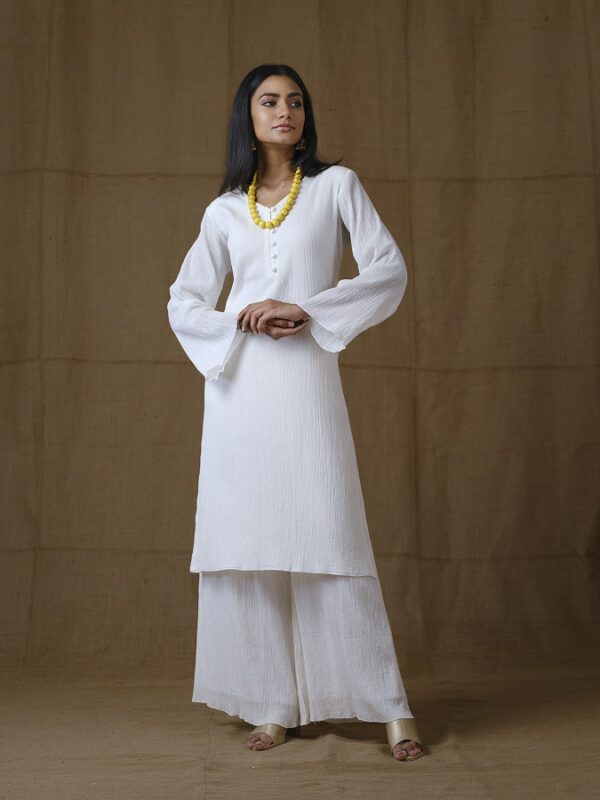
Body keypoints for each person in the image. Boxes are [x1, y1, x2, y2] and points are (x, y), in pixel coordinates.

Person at [167, 63, 426, 762]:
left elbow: (388, 270)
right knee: (252, 543)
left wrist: (305, 308)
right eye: (269, 101)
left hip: (306, 383)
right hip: (240, 392)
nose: (285, 111)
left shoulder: (336, 186)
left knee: (329, 533)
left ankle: (390, 706)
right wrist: (240, 320)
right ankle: (272, 702)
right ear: (248, 118)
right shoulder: (225, 210)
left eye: (296, 101)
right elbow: (183, 301)